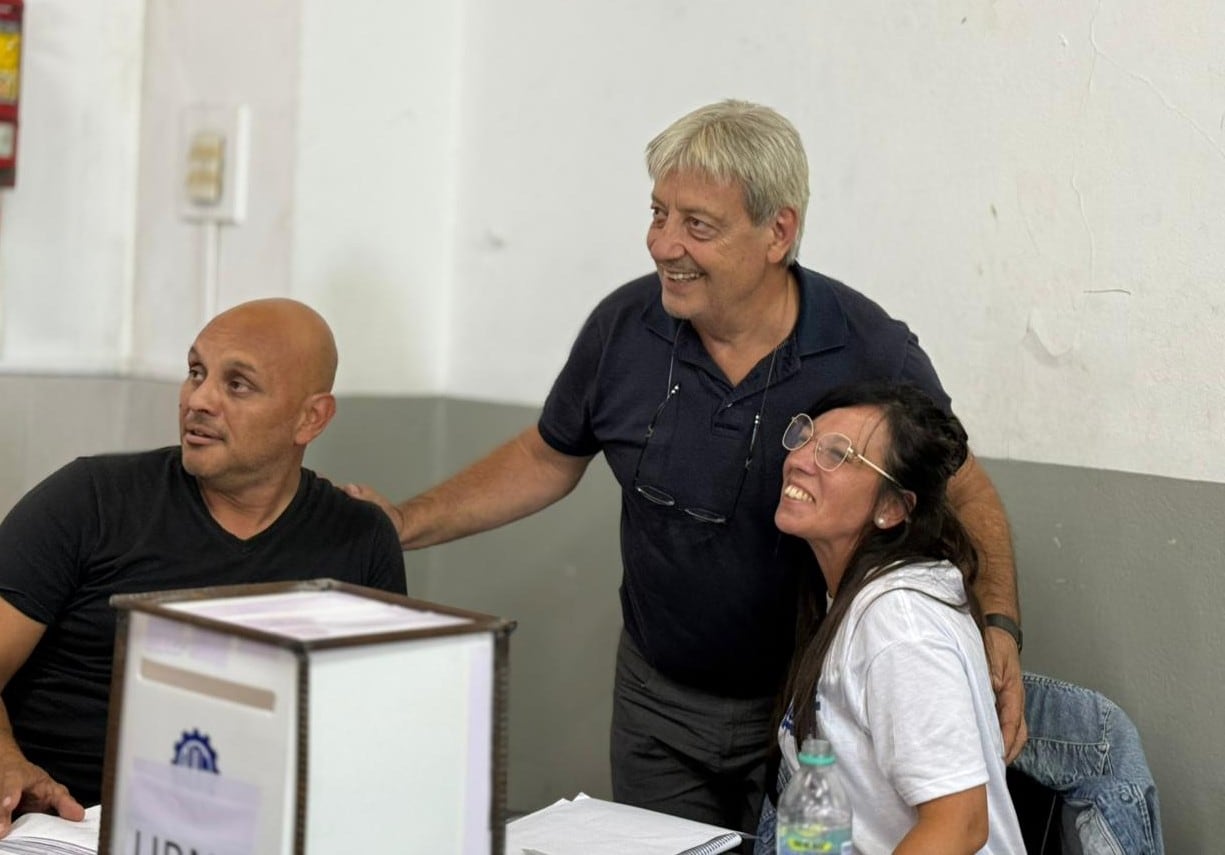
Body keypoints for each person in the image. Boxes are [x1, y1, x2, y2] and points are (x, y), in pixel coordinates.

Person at [346, 99, 1024, 837]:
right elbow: (548, 455)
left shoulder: (867, 346)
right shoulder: (623, 328)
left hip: (803, 710)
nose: (663, 244)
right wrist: (402, 522)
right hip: (657, 702)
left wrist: (999, 623)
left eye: (696, 224)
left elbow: (963, 486)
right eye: (657, 213)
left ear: (778, 232)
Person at [0, 298, 407, 835]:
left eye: (237, 384)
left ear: (311, 418)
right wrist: (8, 760)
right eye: (196, 372)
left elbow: (377, 727)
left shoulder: (360, 538)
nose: (199, 399)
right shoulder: (90, 500)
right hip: (69, 824)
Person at [757, 381, 1025, 853]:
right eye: (804, 439)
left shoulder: (900, 624)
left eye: (836, 454)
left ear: (892, 507)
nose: (798, 460)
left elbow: (961, 824)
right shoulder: (849, 595)